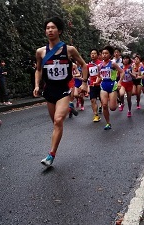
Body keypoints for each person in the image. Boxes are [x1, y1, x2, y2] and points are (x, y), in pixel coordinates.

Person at [33, 16, 88, 166]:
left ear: (60, 30)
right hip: (49, 90)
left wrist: (84, 83)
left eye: (53, 27)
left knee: (58, 120)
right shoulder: (40, 52)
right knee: (56, 124)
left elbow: (84, 65)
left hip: (64, 90)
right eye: (47, 28)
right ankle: (65, 116)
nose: (50, 30)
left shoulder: (69, 50)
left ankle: (51, 155)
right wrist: (37, 85)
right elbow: (38, 70)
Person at [98, 46, 124, 130]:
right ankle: (108, 123)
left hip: (112, 85)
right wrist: (97, 81)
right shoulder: (100, 65)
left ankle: (116, 99)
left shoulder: (113, 64)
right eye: (103, 53)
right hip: (104, 85)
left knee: (112, 108)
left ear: (110, 55)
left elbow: (122, 72)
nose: (104, 55)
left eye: (106, 53)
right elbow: (99, 76)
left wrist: (120, 82)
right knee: (104, 105)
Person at [88, 49, 102, 122]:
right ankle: (96, 115)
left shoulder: (101, 64)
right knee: (93, 100)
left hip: (100, 84)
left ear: (98, 55)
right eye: (91, 53)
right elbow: (87, 75)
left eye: (94, 53)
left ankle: (102, 106)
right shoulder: (89, 65)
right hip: (92, 85)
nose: (93, 55)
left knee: (102, 100)